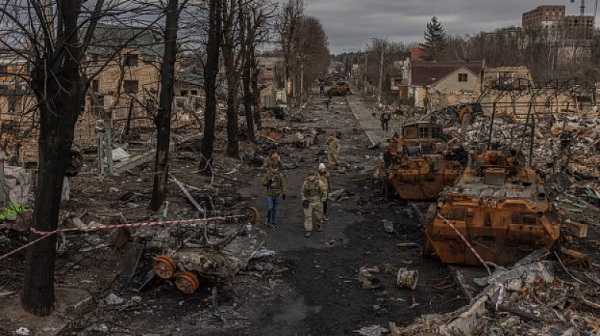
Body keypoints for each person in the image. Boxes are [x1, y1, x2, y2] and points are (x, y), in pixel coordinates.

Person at [301, 170, 326, 237]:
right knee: (307, 216)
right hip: (308, 201)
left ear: (315, 176)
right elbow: (303, 192)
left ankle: (319, 224)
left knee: (318, 216)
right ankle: (308, 230)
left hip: (317, 201)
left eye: (312, 176)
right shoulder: (306, 183)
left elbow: (324, 191)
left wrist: (323, 199)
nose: (311, 177)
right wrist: (304, 198)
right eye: (309, 176)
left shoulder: (319, 183)